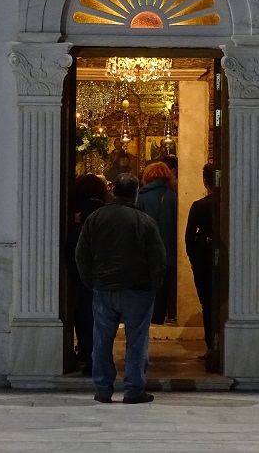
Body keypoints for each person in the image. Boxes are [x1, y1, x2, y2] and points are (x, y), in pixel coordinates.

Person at [76, 173, 167, 404]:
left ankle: (103, 388)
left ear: (113, 191)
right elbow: (158, 259)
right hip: (138, 290)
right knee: (136, 342)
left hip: (104, 288)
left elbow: (81, 254)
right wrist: (154, 286)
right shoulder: (145, 221)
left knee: (102, 341)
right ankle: (133, 389)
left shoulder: (95, 218)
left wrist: (91, 281)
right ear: (135, 194)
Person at [64, 173, 108, 375]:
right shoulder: (105, 213)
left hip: (82, 277)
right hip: (102, 275)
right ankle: (95, 358)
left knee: (83, 316)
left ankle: (85, 352)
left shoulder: (74, 217)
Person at [136, 161, 178, 325]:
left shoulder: (142, 197)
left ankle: (148, 316)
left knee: (147, 285)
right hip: (168, 249)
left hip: (147, 250)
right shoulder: (173, 197)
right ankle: (161, 316)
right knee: (164, 285)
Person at [185, 163, 214, 360]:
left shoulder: (199, 206)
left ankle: (211, 346)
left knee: (207, 304)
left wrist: (193, 257)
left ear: (205, 181)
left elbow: (189, 236)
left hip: (202, 258)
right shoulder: (226, 204)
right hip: (221, 259)